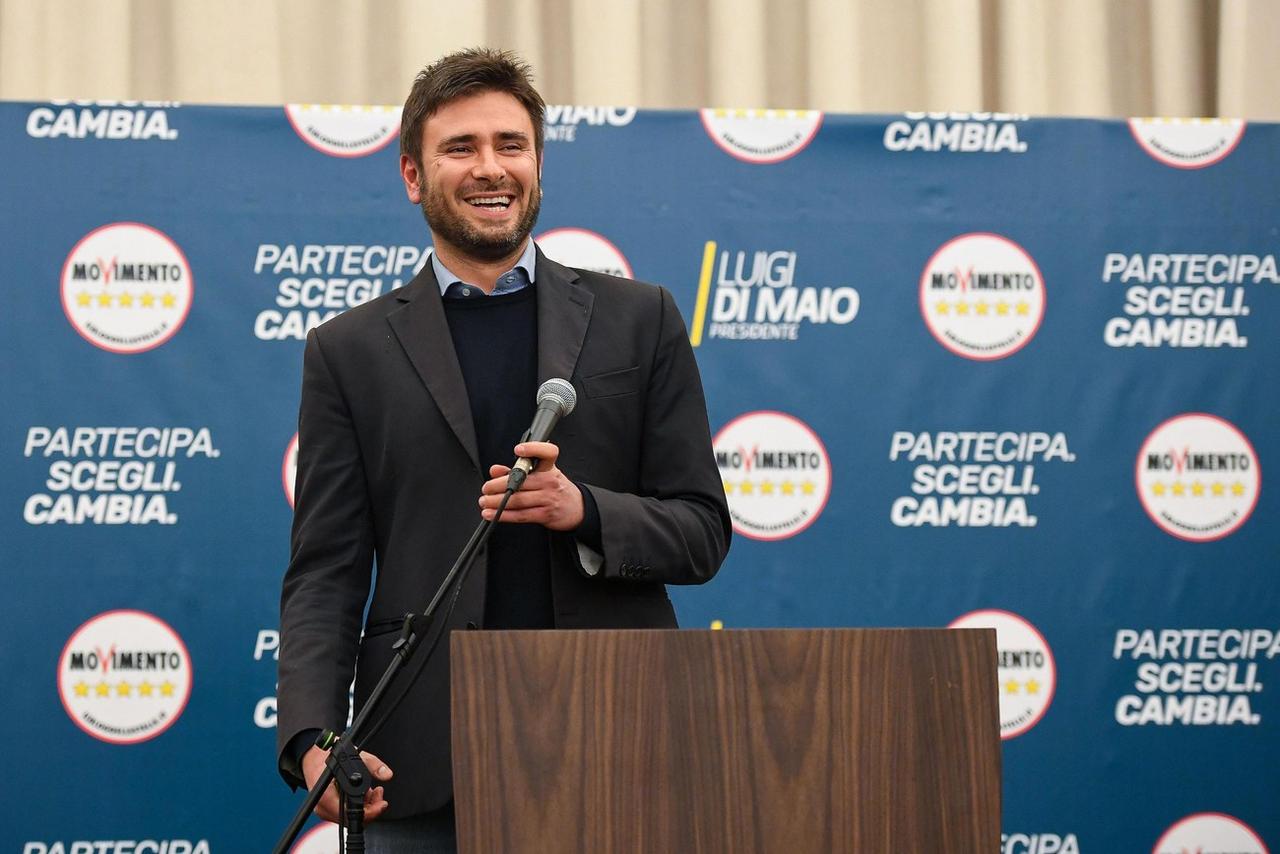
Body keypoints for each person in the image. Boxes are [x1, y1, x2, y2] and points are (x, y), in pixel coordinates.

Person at [276, 48, 731, 851]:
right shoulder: (348, 351)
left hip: (622, 743)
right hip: (418, 762)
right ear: (413, 176)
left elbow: (700, 531)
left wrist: (582, 510)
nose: (492, 168)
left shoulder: (641, 318)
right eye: (462, 148)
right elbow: (326, 571)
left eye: (511, 145)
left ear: (539, 165)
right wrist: (312, 736)